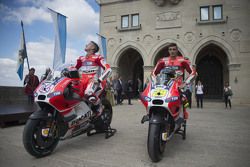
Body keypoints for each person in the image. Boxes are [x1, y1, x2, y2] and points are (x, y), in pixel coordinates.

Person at [152, 43, 197, 119]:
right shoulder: (162, 60)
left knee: (182, 100)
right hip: (165, 87)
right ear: (168, 51)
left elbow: (193, 73)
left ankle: (181, 117)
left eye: (174, 49)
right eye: (170, 49)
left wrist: (185, 83)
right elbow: (153, 73)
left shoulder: (183, 60)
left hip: (178, 87)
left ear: (177, 50)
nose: (172, 51)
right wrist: (155, 83)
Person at [75, 41, 112, 114]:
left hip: (92, 81)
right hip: (81, 81)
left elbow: (108, 69)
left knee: (89, 93)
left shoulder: (98, 57)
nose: (86, 44)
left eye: (88, 44)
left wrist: (99, 80)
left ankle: (100, 106)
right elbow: (73, 68)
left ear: (93, 48)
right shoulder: (81, 58)